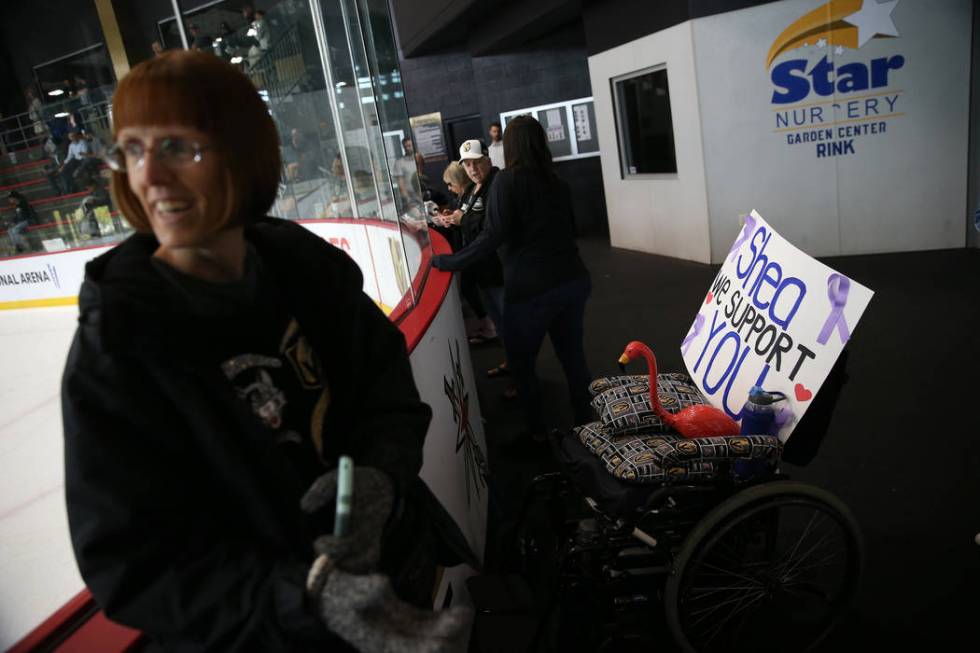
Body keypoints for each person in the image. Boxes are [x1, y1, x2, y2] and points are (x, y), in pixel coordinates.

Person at [61, 50, 471, 653]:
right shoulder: (118, 345)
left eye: (179, 147)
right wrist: (305, 598)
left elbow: (386, 392)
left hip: (393, 581)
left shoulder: (304, 270)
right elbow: (131, 565)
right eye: (133, 149)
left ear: (241, 152)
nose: (149, 175)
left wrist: (380, 478)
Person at [432, 116, 592, 441]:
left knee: (521, 365)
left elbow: (492, 236)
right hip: (572, 281)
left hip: (533, 289)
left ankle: (537, 435)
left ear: (510, 145)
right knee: (574, 361)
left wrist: (449, 262)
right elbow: (572, 229)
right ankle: (588, 428)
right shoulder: (555, 181)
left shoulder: (508, 181)